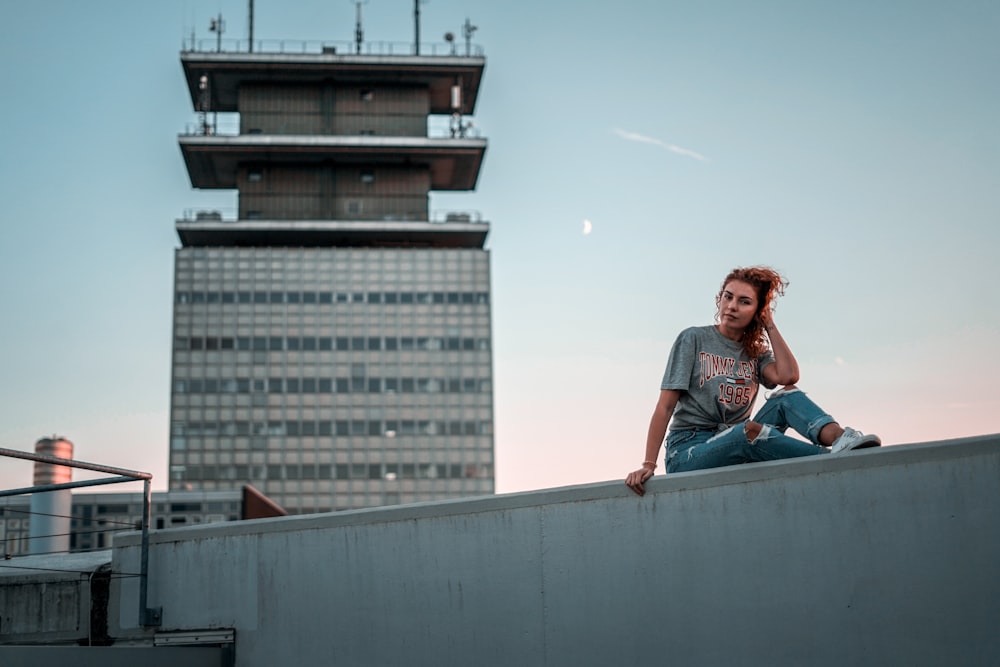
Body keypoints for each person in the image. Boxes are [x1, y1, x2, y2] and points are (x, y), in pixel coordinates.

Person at [625, 266, 880, 496]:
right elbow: (665, 407)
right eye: (728, 296)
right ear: (720, 298)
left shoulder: (755, 352)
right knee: (748, 432)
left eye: (744, 302)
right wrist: (649, 464)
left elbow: (788, 377)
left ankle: (841, 440)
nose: (732, 306)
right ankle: (830, 460)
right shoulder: (693, 339)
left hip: (736, 441)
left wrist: (769, 324)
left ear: (757, 311)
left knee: (786, 396)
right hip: (689, 452)